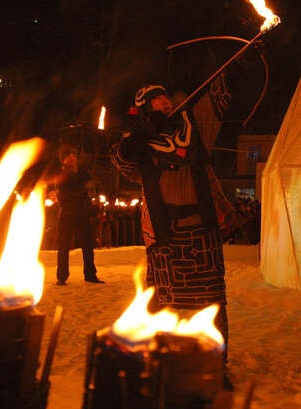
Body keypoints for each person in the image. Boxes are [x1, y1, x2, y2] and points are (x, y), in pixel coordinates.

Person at [110, 78, 242, 385]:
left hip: (201, 231)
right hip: (164, 234)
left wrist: (235, 70)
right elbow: (121, 160)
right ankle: (160, 360)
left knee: (213, 301)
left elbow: (217, 101)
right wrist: (139, 139)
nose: (165, 101)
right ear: (144, 107)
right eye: (156, 99)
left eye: (166, 96)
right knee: (160, 301)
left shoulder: (193, 128)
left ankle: (216, 365)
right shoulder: (139, 142)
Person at [48, 144, 103, 284]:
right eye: (68, 156)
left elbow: (92, 188)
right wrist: (82, 190)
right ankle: (62, 276)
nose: (72, 158)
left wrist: (91, 205)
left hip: (83, 213)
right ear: (63, 159)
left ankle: (90, 274)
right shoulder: (61, 175)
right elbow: (64, 195)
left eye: (73, 155)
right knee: (64, 246)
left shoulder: (83, 172)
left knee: (88, 245)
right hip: (67, 213)